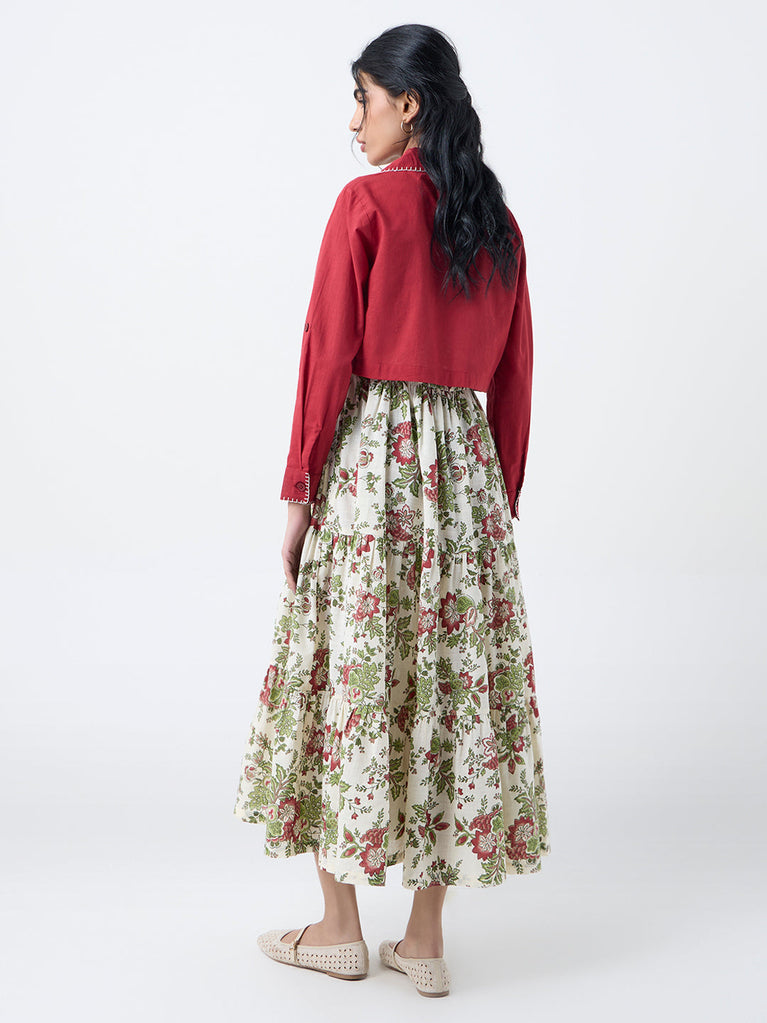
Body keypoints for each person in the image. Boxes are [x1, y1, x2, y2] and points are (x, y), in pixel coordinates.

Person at [232, 23, 551, 997]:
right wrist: (497, 495)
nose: (353, 121)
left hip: (374, 465)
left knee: (344, 672)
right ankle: (423, 940)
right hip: (463, 479)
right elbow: (516, 368)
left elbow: (327, 350)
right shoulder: (493, 220)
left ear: (408, 104)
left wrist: (300, 487)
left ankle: (337, 927)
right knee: (447, 689)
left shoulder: (365, 205)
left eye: (362, 98)